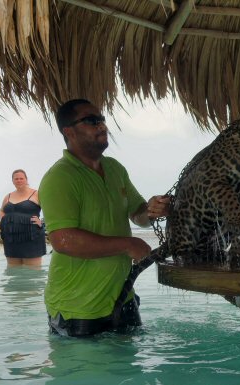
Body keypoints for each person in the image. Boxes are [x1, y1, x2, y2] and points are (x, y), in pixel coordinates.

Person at [39, 98, 170, 337]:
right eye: (91, 120)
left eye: (101, 119)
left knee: (130, 374)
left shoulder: (115, 168)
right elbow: (63, 240)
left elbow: (138, 215)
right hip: (78, 307)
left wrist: (153, 210)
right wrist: (128, 244)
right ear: (68, 131)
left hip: (124, 297)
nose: (101, 125)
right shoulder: (60, 177)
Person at [0, 169, 47, 266]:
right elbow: (1, 211)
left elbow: (50, 210)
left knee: (33, 274)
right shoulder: (7, 196)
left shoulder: (37, 194)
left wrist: (41, 222)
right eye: (16, 179)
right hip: (11, 238)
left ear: (26, 180)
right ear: (12, 181)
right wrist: (5, 221)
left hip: (32, 236)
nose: (19, 180)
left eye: (21, 178)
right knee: (13, 272)